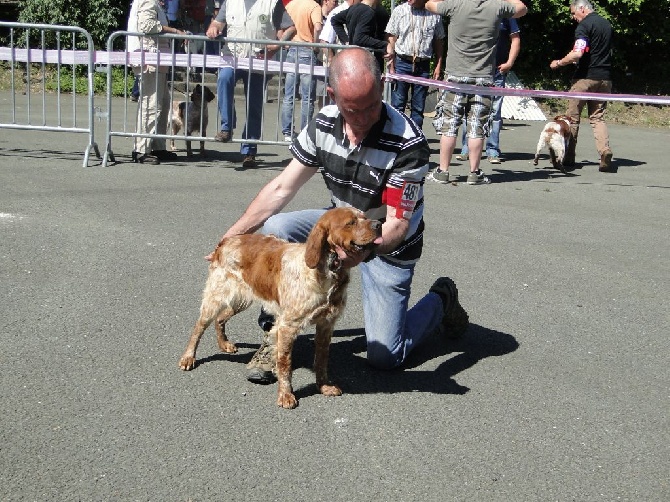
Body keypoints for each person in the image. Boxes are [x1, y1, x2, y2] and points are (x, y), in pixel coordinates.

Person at [208, 47, 469, 384]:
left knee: (386, 356)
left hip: (388, 242)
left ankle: (440, 300)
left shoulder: (408, 142)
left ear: (383, 85)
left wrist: (358, 253)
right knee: (276, 227)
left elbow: (397, 224)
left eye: (370, 106)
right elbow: (280, 189)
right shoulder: (323, 123)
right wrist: (231, 237)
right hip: (343, 225)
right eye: (351, 109)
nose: (361, 119)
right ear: (332, 95)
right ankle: (275, 334)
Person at [425, 0, 526, 185]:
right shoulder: (497, 7)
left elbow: (429, 5)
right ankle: (474, 173)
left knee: (449, 127)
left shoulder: (455, 5)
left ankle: (443, 171)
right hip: (483, 79)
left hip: (455, 77)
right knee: (476, 128)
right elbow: (522, 8)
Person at [206, 0, 293, 168]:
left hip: (258, 60)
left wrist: (276, 46)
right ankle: (227, 127)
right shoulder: (230, 2)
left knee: (254, 106)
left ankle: (249, 151)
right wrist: (213, 28)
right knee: (224, 79)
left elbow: (289, 27)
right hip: (232, 56)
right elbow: (217, 22)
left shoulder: (271, 3)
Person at [550, 0, 613, 172]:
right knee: (597, 118)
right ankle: (604, 151)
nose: (573, 17)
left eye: (573, 13)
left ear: (582, 9)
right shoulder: (606, 24)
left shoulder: (584, 26)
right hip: (605, 79)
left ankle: (568, 158)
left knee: (572, 119)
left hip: (584, 78)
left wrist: (559, 63)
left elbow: (577, 53)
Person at [128, 0, 187, 164]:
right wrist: (174, 31)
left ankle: (157, 145)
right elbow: (147, 26)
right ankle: (141, 149)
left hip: (158, 60)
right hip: (149, 59)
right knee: (150, 105)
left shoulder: (156, 3)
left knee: (162, 104)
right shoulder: (148, 1)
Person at [457, 16, 520, 164]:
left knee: (495, 112)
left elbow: (516, 39)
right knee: (470, 110)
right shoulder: (476, 11)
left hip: (498, 71)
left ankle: (492, 150)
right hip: (476, 70)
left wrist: (510, 62)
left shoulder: (506, 15)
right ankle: (467, 148)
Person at [385, 0, 445, 129]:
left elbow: (439, 40)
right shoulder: (400, 11)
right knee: (398, 104)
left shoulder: (434, 14)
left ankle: (416, 139)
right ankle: (397, 138)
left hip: (423, 65)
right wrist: (391, 64)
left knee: (418, 107)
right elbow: (391, 37)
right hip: (402, 62)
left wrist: (438, 65)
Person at [280, 0, 324, 141]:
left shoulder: (292, 4)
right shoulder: (314, 6)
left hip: (292, 48)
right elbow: (317, 27)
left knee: (289, 94)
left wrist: (283, 41)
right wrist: (316, 45)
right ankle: (304, 129)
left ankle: (287, 131)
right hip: (307, 48)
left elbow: (281, 25)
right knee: (307, 97)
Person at [331, 0, 392, 71]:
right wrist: (385, 45)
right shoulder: (367, 12)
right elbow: (360, 38)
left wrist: (346, 40)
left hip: (357, 60)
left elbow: (335, 20)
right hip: (366, 63)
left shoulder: (355, 8)